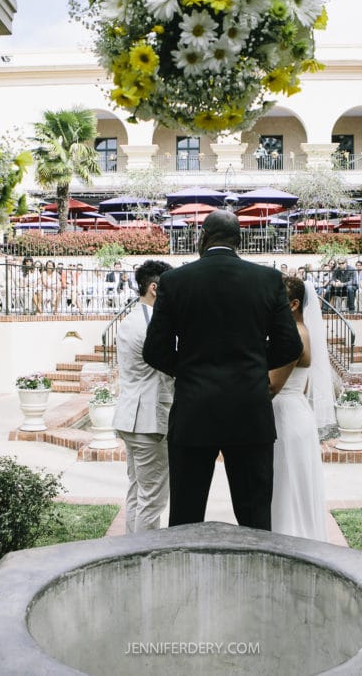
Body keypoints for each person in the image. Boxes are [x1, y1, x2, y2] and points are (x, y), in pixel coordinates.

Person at [144, 210, 302, 530]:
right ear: (239, 239)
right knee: (255, 517)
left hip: (194, 409)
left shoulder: (174, 280)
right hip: (249, 410)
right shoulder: (268, 279)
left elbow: (154, 350)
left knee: (186, 517)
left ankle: (184, 577)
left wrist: (189, 368)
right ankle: (258, 576)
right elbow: (290, 346)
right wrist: (254, 364)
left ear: (202, 238)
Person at [268, 277, 331, 541]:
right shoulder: (303, 331)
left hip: (285, 415)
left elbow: (272, 386)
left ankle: (286, 538)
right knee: (293, 481)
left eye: (278, 299)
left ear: (294, 304)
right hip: (296, 410)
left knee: (285, 481)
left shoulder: (293, 334)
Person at [114, 260, 174, 533]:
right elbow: (167, 368)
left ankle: (129, 550)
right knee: (153, 499)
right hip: (148, 420)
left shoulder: (129, 319)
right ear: (154, 288)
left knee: (137, 490)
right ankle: (144, 558)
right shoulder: (150, 324)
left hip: (129, 417)